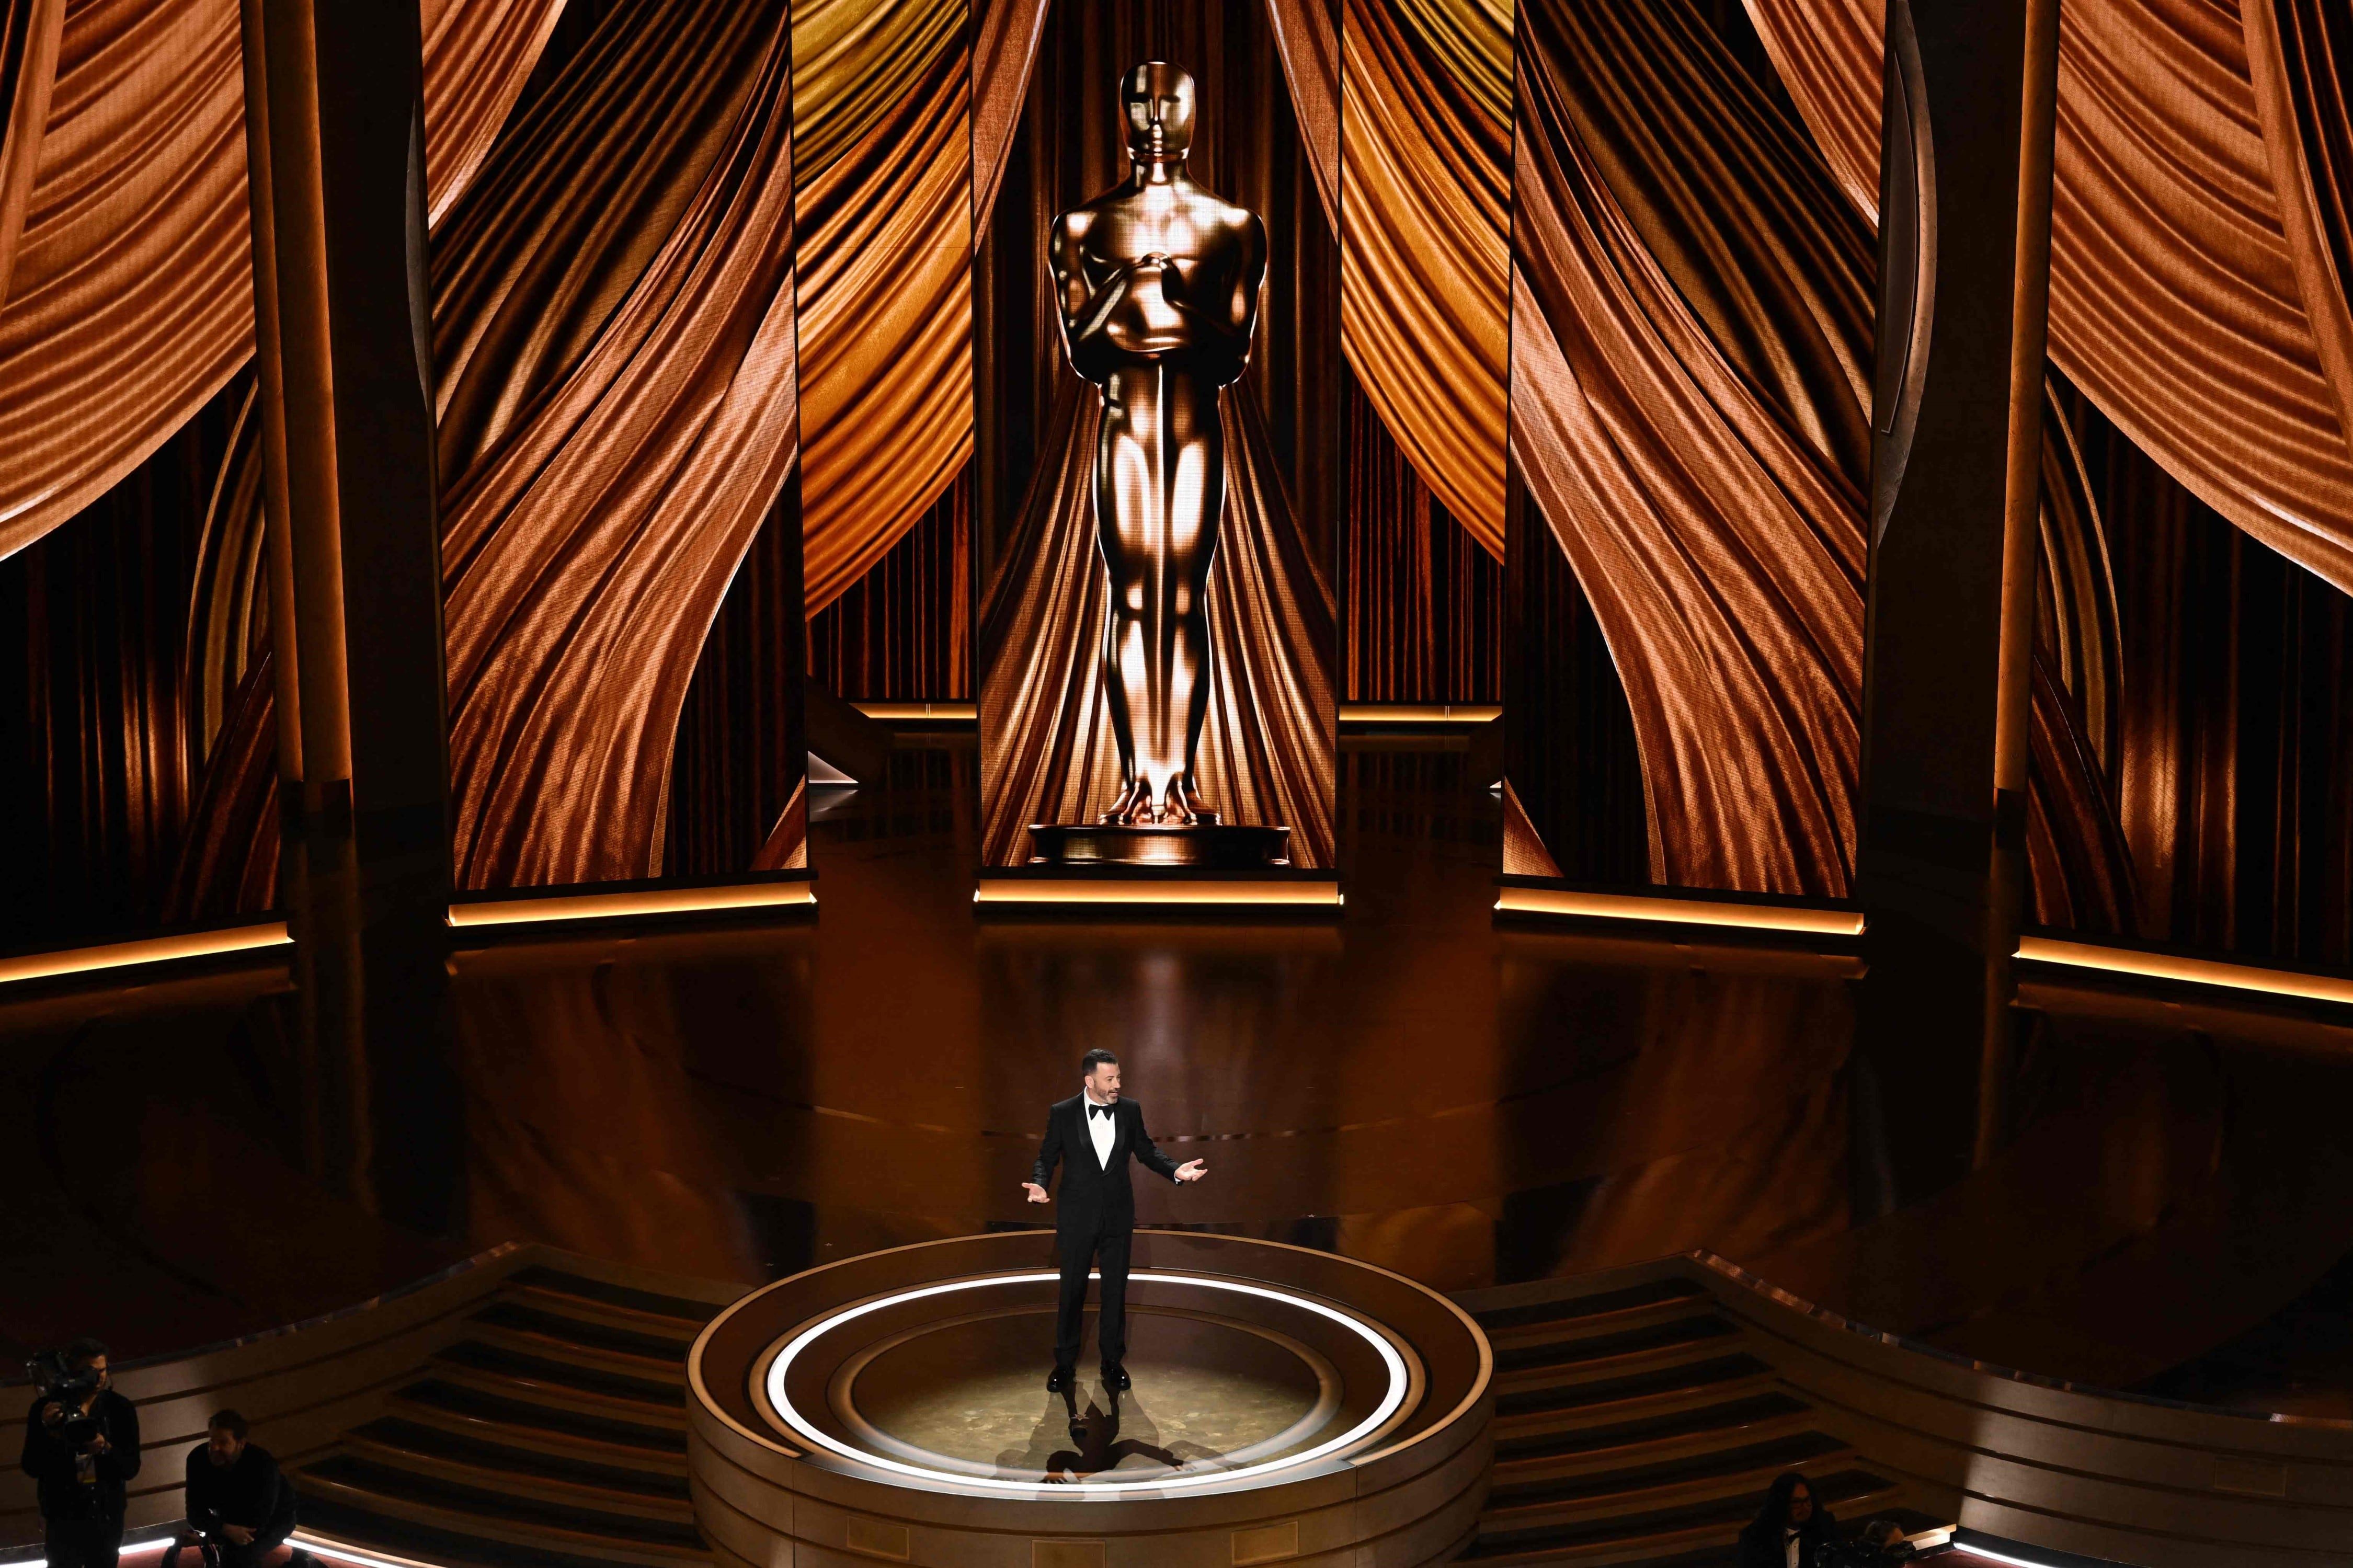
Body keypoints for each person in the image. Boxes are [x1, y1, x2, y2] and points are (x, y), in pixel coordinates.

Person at [1023, 1048, 1207, 1391]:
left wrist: (1176, 1171)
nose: (1117, 1084)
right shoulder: (1063, 1113)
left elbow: (1147, 1150)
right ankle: (1064, 1365)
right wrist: (1039, 1181)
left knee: (1114, 1292)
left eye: (1119, 1077)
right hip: (1076, 1218)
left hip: (1118, 1218)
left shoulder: (1129, 1110)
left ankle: (1112, 1362)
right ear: (1089, 1080)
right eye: (1110, 1079)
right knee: (1072, 1291)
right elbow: (1047, 1155)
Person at [19, 1338, 142, 1568]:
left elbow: (131, 1468)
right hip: (62, 1516)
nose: (99, 1378)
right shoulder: (45, 1409)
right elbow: (31, 1466)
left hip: (106, 1516)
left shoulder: (120, 1408)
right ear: (72, 1371)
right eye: (90, 1372)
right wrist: (49, 1432)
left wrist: (105, 1448)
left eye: (103, 1370)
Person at [163, 1411, 305, 1568]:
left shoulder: (263, 1465)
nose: (214, 1448)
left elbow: (255, 1526)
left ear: (241, 1444)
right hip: (229, 1520)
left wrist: (211, 1537)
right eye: (212, 1440)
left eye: (223, 1443)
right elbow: (194, 1515)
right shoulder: (197, 1459)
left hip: (275, 1520)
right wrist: (224, 1530)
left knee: (241, 1556)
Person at [1738, 1471, 1837, 1568]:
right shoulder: (1754, 1536)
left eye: (1807, 1500)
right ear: (1781, 1504)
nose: (1805, 1507)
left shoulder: (1825, 1526)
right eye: (1797, 1502)